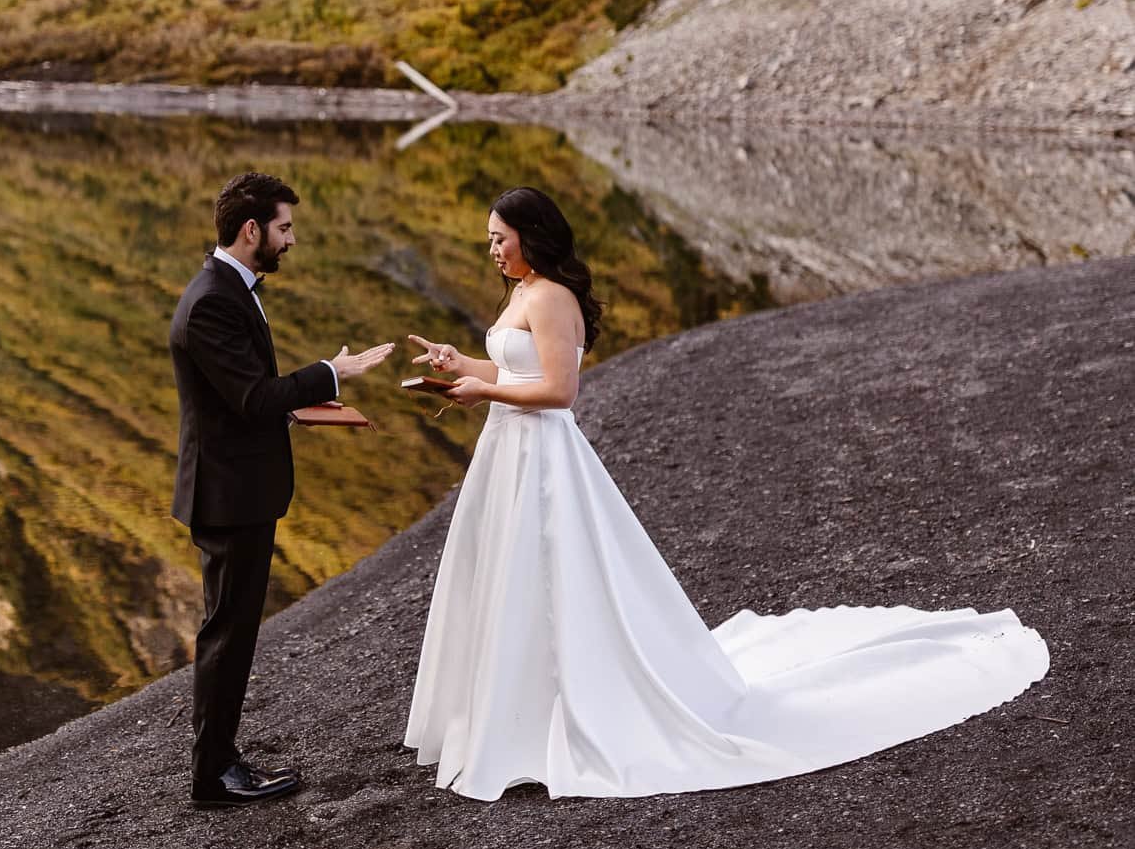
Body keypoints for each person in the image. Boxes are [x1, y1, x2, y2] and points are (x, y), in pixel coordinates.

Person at [405, 186, 1049, 801]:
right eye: (489, 240)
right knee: (509, 574)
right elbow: (518, 371)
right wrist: (463, 366)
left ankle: (557, 713)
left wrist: (486, 392)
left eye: (500, 239)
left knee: (548, 570)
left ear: (531, 236)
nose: (492, 250)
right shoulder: (524, 291)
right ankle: (513, 714)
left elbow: (559, 392)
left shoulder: (549, 297)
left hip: (540, 451)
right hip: (508, 449)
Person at [170, 170, 392, 807]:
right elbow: (252, 396)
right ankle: (213, 775)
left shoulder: (227, 288)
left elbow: (239, 400)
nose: (290, 240)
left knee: (233, 630)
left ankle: (220, 762)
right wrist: (331, 372)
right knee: (227, 633)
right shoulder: (213, 300)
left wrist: (299, 407)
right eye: (284, 227)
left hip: (235, 489)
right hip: (229, 496)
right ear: (252, 230)